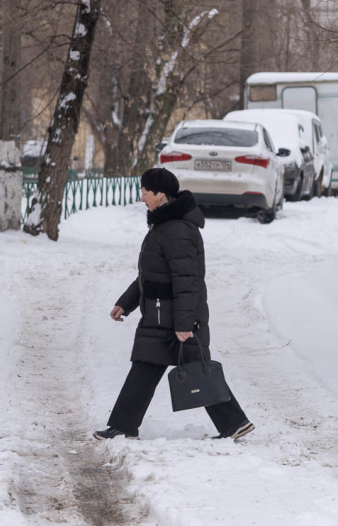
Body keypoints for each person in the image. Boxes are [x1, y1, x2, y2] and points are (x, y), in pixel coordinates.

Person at [94, 168, 255, 441]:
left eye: (146, 191)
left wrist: (184, 322)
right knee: (151, 365)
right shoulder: (164, 224)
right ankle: (233, 423)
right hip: (161, 313)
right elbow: (151, 275)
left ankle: (124, 426)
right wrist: (126, 303)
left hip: (173, 316)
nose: (142, 196)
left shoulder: (177, 228)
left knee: (190, 367)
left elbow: (186, 280)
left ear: (160, 194)